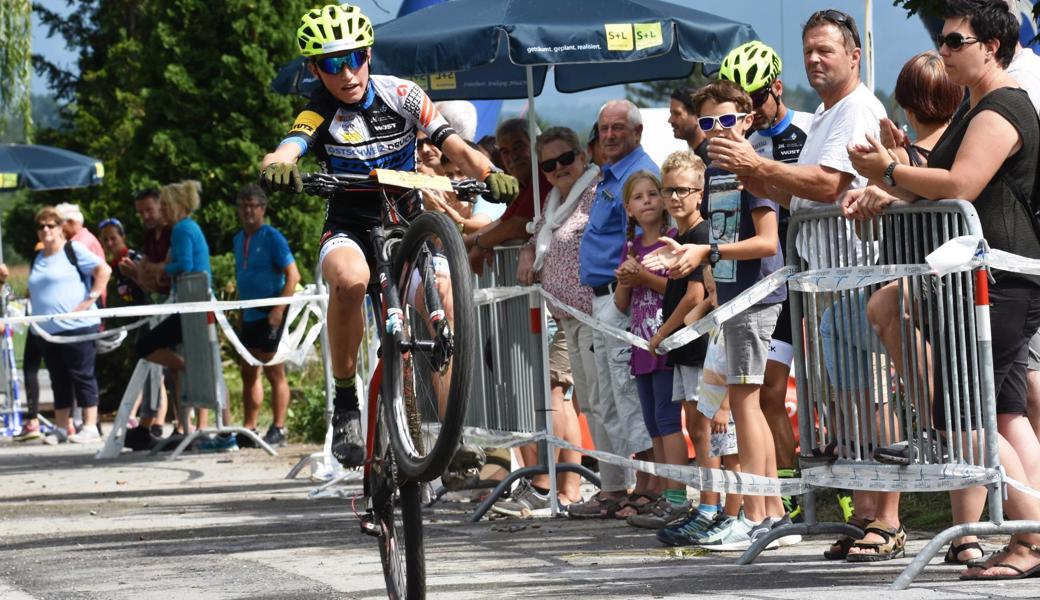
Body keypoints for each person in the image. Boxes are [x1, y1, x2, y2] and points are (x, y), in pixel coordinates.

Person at [260, 3, 518, 468]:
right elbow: (287, 147)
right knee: (349, 279)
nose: (347, 72)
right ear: (317, 70)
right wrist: (278, 167)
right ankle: (344, 404)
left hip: (407, 225)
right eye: (333, 64)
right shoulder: (319, 111)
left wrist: (491, 171)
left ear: (369, 56)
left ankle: (451, 431)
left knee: (446, 295)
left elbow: (455, 146)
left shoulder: (402, 93)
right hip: (351, 227)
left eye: (355, 57)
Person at [843, 0, 1040, 578]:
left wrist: (887, 173)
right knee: (1004, 416)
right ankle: (1028, 539)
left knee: (964, 418)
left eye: (955, 42)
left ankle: (1029, 540)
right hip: (996, 277)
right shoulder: (976, 108)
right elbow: (942, 187)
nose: (944, 51)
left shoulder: (1000, 108)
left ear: (992, 48)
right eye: (945, 41)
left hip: (997, 279)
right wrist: (896, 171)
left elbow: (961, 183)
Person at [709, 9, 900, 561]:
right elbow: (797, 196)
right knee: (845, 407)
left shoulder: (858, 108)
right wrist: (749, 170)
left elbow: (825, 185)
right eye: (809, 51)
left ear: (854, 55)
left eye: (826, 50)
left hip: (858, 277)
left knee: (872, 402)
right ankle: (863, 513)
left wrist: (755, 165)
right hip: (824, 282)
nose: (815, 60)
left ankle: (886, 519)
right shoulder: (825, 113)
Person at [644, 79, 787, 550]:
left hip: (754, 296)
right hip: (730, 299)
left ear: (747, 121)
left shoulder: (753, 171)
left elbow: (768, 243)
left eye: (727, 120)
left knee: (745, 406)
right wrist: (699, 256)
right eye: (708, 122)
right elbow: (716, 248)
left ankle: (761, 514)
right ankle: (765, 513)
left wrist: (708, 249)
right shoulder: (718, 172)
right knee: (740, 406)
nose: (717, 130)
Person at [717, 39, 815, 517]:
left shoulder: (808, 129)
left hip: (816, 273)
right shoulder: (745, 143)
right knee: (769, 391)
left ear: (776, 89)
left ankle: (826, 485)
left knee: (823, 389)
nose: (749, 110)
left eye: (755, 99)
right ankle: (790, 488)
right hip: (775, 284)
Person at [494, 127, 599, 516]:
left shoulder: (593, 193)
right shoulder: (555, 199)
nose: (558, 169)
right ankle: (559, 485)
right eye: (549, 164)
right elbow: (537, 232)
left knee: (557, 395)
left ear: (582, 157)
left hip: (588, 311)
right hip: (563, 313)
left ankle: (559, 485)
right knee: (568, 399)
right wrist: (525, 249)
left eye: (565, 159)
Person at [569, 99, 659, 519]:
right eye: (603, 128)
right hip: (604, 298)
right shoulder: (609, 175)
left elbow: (651, 241)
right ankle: (624, 486)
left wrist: (631, 287)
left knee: (630, 397)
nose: (608, 135)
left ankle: (648, 485)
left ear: (637, 133)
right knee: (610, 400)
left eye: (618, 128)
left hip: (625, 299)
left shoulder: (641, 177)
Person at [613, 170, 688, 525]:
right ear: (629, 208)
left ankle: (677, 494)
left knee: (668, 418)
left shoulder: (674, 242)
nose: (647, 201)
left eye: (652, 194)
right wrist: (626, 279)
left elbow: (676, 292)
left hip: (666, 342)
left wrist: (643, 277)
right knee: (652, 422)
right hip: (641, 344)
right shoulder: (631, 248)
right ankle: (660, 491)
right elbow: (620, 304)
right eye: (639, 196)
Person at [29, 206, 111, 444]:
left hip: (78, 325)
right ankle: (62, 427)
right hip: (48, 330)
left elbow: (103, 270)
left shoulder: (72, 249)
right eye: (41, 226)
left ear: (60, 227)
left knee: (82, 374)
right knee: (58, 378)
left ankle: (90, 425)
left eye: (51, 225)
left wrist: (90, 299)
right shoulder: (38, 257)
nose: (46, 230)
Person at [232, 184, 300, 448]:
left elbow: (292, 275)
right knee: (248, 371)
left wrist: (278, 310)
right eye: (244, 205)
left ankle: (279, 427)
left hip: (271, 313)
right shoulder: (238, 238)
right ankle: (249, 428)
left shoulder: (272, 236)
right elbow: (242, 278)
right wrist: (240, 310)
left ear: (262, 208)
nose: (248, 210)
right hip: (248, 314)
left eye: (253, 205)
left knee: (274, 371)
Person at [463, 118, 548, 275]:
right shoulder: (525, 184)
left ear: (537, 145)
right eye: (505, 152)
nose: (513, 157)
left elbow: (518, 225)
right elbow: (502, 223)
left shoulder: (544, 174)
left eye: (519, 147)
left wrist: (481, 243)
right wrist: (463, 242)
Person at [668, 85, 708, 163]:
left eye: (677, 113)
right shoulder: (697, 155)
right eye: (671, 113)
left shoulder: (710, 156)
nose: (670, 120)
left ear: (697, 115)